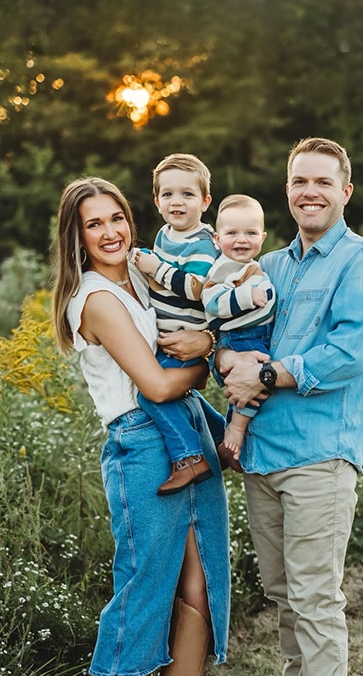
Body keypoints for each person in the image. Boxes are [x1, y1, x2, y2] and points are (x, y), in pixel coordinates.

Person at [216, 137, 363, 676]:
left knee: (316, 605)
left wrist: (267, 371)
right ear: (286, 189)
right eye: (299, 181)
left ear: (345, 190)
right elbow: (233, 336)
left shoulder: (362, 262)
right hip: (262, 455)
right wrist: (225, 362)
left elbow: (348, 350)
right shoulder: (266, 264)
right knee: (288, 601)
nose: (309, 191)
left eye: (323, 181)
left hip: (321, 457)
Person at [51, 177, 231, 676]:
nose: (110, 232)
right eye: (93, 224)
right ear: (75, 238)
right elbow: (155, 385)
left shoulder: (143, 273)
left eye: (117, 217)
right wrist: (209, 358)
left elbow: (205, 300)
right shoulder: (96, 298)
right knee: (143, 585)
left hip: (187, 435)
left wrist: (207, 335)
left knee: (201, 580)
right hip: (142, 444)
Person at [134, 153, 228, 494]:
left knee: (150, 393)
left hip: (185, 337)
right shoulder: (165, 233)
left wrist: (153, 269)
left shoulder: (202, 244)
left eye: (187, 195)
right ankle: (220, 435)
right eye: (169, 194)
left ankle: (190, 457)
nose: (177, 202)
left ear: (205, 201)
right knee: (179, 394)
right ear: (157, 201)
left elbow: (195, 288)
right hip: (170, 335)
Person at [202, 194, 276, 461]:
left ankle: (233, 432)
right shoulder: (222, 269)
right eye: (232, 233)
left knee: (253, 381)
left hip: (253, 335)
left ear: (262, 238)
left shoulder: (251, 265)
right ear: (217, 239)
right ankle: (235, 428)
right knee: (258, 379)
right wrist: (247, 297)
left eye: (250, 232)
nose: (242, 239)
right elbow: (211, 302)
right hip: (241, 337)